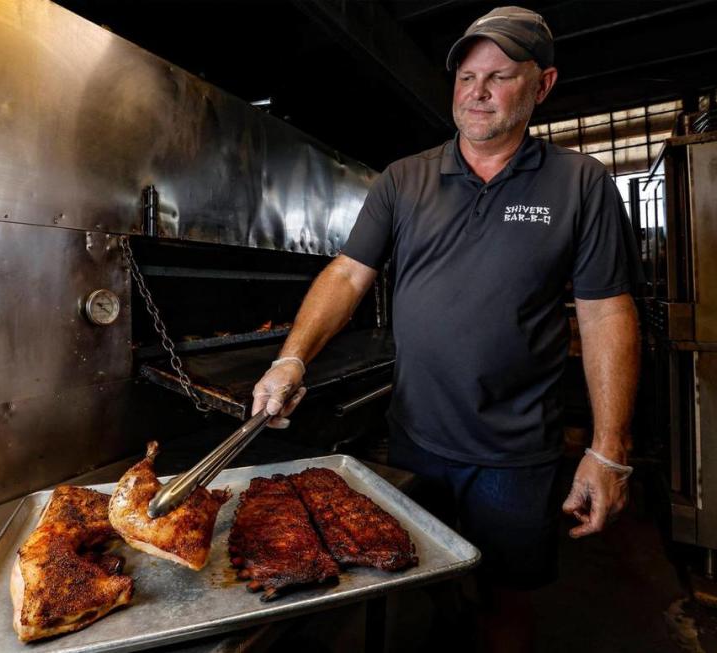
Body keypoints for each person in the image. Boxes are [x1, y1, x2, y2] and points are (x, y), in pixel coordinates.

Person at [251, 6, 641, 652]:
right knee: (412, 578)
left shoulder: (580, 183)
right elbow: (348, 274)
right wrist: (291, 359)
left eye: (498, 76)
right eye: (465, 77)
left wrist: (607, 451)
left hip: (516, 451)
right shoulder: (404, 179)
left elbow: (605, 312)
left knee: (507, 600)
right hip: (416, 440)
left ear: (541, 85)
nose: (476, 92)